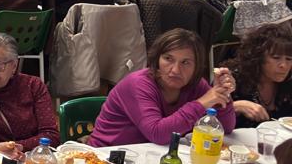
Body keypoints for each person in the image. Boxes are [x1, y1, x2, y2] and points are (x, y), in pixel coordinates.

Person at [89, 28, 238, 146]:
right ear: (157, 59)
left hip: (150, 157)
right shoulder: (138, 84)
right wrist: (201, 103)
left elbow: (225, 128)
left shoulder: (196, 84)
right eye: (168, 59)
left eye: (185, 62)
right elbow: (157, 134)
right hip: (105, 158)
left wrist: (222, 93)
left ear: (197, 67)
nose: (175, 70)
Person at [229, 21, 292, 125]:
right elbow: (207, 114)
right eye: (276, 58)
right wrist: (234, 107)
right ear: (259, 57)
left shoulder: (289, 84)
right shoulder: (233, 79)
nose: (283, 65)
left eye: (289, 59)